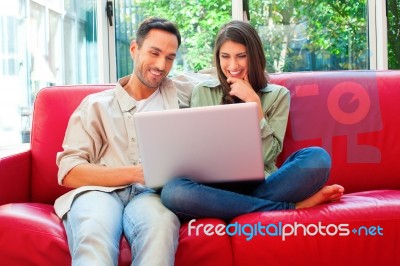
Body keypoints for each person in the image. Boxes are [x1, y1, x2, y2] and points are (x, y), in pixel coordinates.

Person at [161, 20, 345, 221]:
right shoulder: (202, 91)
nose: (233, 66)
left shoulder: (278, 95)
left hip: (262, 182)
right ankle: (289, 207)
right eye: (225, 57)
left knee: (317, 159)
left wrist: (254, 102)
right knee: (173, 191)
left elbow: (268, 155)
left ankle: (229, 206)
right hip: (214, 185)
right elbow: (197, 153)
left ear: (254, 57)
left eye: (241, 56)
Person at [54, 17, 183, 265]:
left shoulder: (179, 92)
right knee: (94, 231)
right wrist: (135, 173)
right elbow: (69, 171)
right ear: (134, 49)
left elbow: (221, 73)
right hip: (99, 193)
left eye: (170, 57)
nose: (161, 65)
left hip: (151, 197)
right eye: (154, 53)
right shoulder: (96, 105)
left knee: (162, 227)